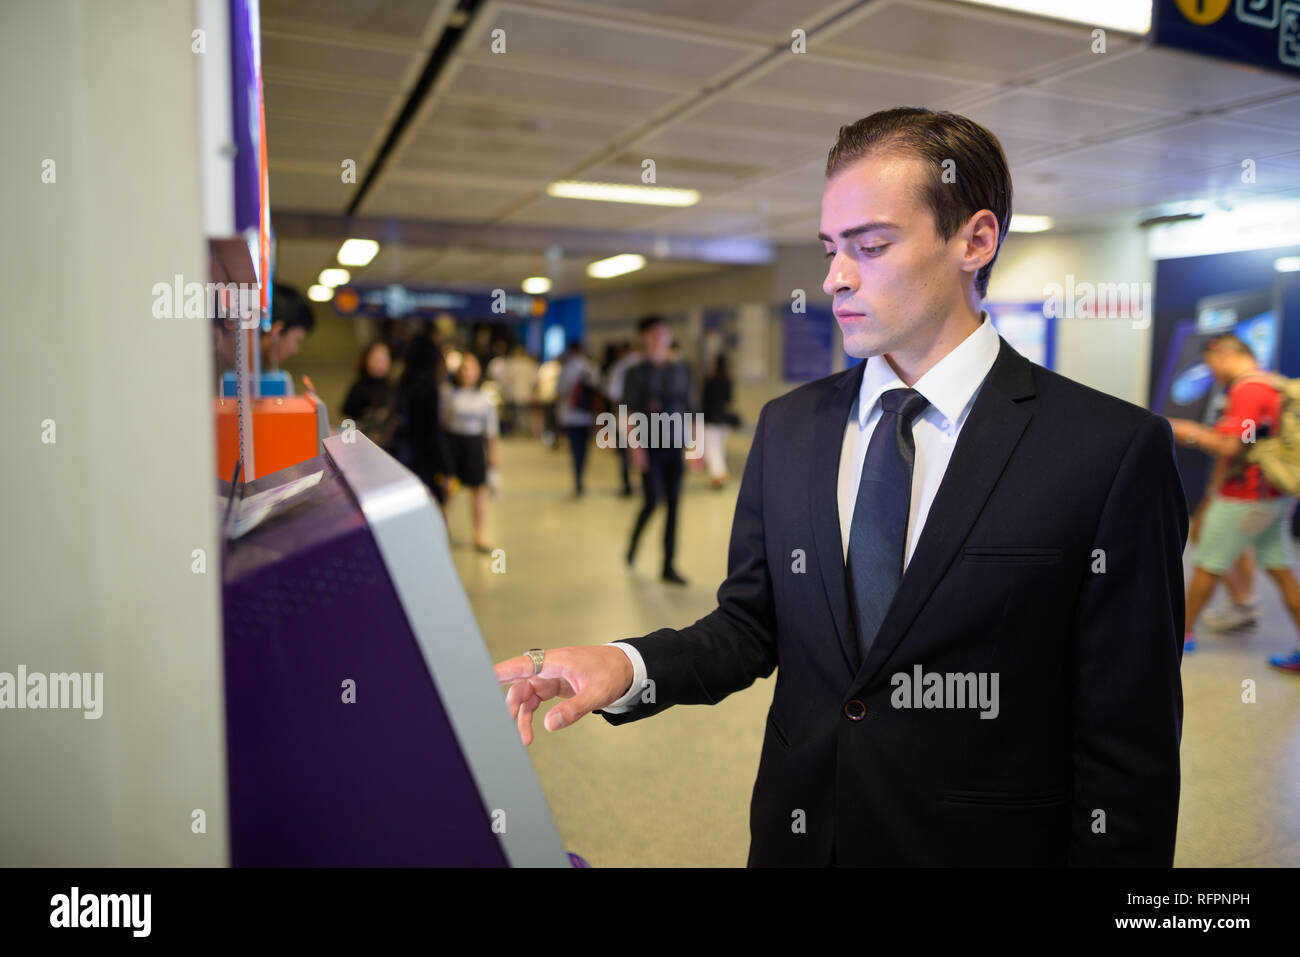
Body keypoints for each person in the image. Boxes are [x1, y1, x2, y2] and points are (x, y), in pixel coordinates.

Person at [496, 107, 1188, 867]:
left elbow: (1129, 747)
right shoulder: (792, 427)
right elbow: (750, 626)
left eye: (872, 245)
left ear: (975, 240)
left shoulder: (1107, 451)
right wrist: (626, 664)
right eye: (831, 248)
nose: (833, 277)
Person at [1167, 334, 1300, 673]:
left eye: (1210, 364)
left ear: (1222, 353)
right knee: (1281, 570)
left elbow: (1230, 448)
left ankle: (1179, 636)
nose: (1210, 373)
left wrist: (1188, 432)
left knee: (1207, 565)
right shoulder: (1270, 385)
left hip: (1246, 496)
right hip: (1272, 495)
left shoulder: (1248, 390)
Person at [624, 316, 695, 586]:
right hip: (648, 446)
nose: (658, 340)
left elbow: (690, 408)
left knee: (675, 506)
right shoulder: (635, 373)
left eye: (663, 335)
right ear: (645, 339)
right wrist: (636, 450)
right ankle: (633, 542)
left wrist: (694, 447)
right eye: (653, 335)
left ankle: (668, 566)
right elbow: (627, 413)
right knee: (653, 500)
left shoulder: (681, 370)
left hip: (674, 446)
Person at [443, 353, 500, 553]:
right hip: (454, 444)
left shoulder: (485, 397)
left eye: (472, 368)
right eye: (464, 368)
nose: (468, 373)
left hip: (475, 445)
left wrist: (494, 454)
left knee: (478, 492)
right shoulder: (449, 394)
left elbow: (491, 429)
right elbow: (443, 423)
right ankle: (443, 529)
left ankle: (479, 534)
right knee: (448, 490)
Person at [393, 330, 454, 508]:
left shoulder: (403, 382)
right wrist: (447, 467)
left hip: (402, 455)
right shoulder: (428, 385)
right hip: (422, 459)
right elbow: (433, 428)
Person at [555, 341, 602, 496]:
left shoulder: (566, 369)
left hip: (570, 416)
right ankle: (581, 477)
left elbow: (559, 392)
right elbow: (598, 392)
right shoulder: (591, 367)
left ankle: (577, 479)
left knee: (575, 449)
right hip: (587, 416)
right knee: (585, 449)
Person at [604, 340, 643, 496]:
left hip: (624, 412)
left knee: (626, 451)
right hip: (647, 415)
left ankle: (627, 485)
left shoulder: (619, 366)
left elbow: (612, 393)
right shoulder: (645, 364)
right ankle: (647, 483)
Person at [341, 341, 395, 445]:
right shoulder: (358, 387)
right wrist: (348, 441)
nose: (380, 363)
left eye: (384, 359)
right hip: (362, 444)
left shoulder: (393, 387)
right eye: (376, 359)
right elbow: (348, 419)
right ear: (366, 360)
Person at [701, 352, 737, 490]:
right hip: (725, 421)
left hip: (712, 420)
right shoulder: (727, 381)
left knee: (713, 450)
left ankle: (719, 476)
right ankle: (719, 475)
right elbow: (729, 402)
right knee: (720, 450)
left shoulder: (710, 381)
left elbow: (705, 403)